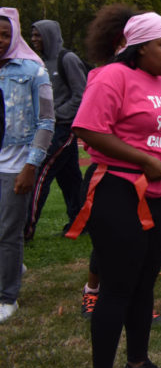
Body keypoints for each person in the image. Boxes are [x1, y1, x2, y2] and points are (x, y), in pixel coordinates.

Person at [68, 7, 161, 368]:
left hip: (158, 191)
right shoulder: (113, 76)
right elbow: (87, 127)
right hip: (117, 190)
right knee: (118, 286)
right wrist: (143, 159)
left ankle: (137, 362)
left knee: (145, 283)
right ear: (139, 47)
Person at [0, 8, 54, 324]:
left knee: (8, 233)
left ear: (15, 36)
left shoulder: (34, 71)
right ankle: (12, 265)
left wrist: (30, 166)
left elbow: (46, 120)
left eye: (6, 35)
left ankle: (7, 297)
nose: (1, 41)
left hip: (15, 165)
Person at [25, 19, 86, 239]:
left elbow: (81, 95)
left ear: (49, 34)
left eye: (38, 35)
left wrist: (55, 114)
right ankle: (81, 222)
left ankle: (25, 230)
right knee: (70, 179)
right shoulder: (40, 62)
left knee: (39, 172)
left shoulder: (67, 59)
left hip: (62, 128)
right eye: (32, 36)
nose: (34, 40)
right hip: (46, 127)